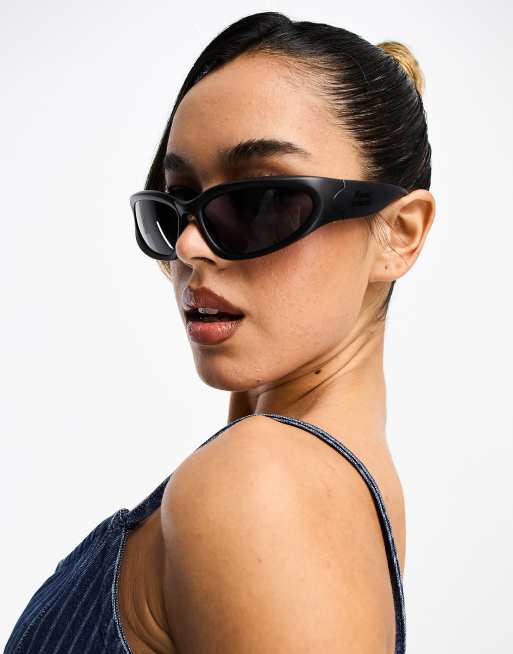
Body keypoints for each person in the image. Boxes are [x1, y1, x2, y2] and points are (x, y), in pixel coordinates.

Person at [5, 11, 435, 654]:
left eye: (261, 199)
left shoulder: (262, 485)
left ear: (397, 234)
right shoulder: (336, 487)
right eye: (177, 199)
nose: (189, 245)